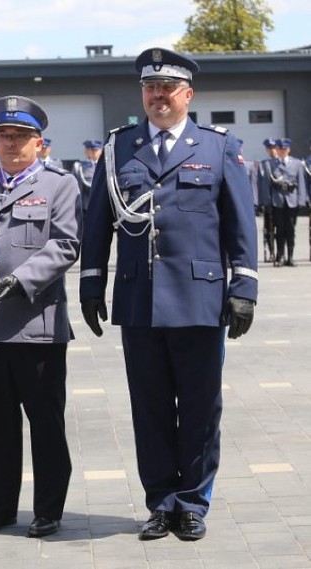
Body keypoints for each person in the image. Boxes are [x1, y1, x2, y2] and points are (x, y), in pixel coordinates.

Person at [80, 47, 258, 542]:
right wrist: (92, 282)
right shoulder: (120, 148)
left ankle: (194, 501)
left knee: (201, 407)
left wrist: (244, 286)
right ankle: (161, 500)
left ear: (187, 94)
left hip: (201, 298)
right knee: (150, 406)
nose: (158, 96)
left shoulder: (218, 146)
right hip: (139, 299)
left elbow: (241, 224)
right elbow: (99, 223)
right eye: (150, 87)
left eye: (167, 88)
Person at [0, 95, 81, 539]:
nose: (10, 144)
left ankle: (48, 509)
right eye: (3, 135)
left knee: (45, 421)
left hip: (36, 322)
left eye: (20, 137)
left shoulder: (60, 185)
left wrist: (23, 279)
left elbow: (66, 244)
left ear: (39, 143)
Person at [259, 138, 306, 266]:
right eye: (280, 149)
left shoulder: (296, 164)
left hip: (292, 201)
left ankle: (290, 257)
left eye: (285, 149)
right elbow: (267, 185)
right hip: (277, 201)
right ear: (277, 150)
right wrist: (267, 202)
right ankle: (280, 256)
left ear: (289, 149)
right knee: (279, 230)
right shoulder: (271, 164)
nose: (282, 151)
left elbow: (301, 182)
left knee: (290, 230)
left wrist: (302, 200)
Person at [257, 138, 279, 263]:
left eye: (274, 147)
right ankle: (271, 252)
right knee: (269, 230)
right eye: (269, 148)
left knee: (281, 229)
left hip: (280, 202)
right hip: (268, 202)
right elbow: (260, 185)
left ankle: (280, 253)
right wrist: (261, 203)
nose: (272, 150)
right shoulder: (263, 164)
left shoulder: (282, 162)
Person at [71, 140, 102, 214]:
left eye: (96, 150)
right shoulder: (80, 167)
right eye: (91, 150)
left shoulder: (106, 166)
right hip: (86, 205)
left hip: (102, 203)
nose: (94, 152)